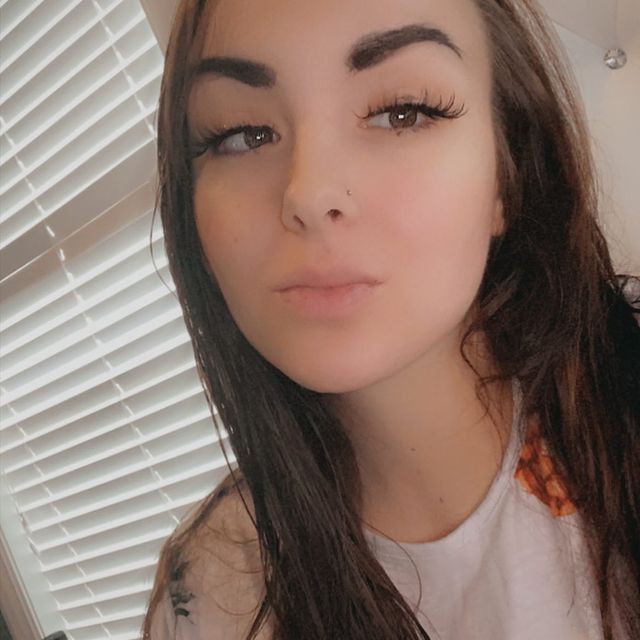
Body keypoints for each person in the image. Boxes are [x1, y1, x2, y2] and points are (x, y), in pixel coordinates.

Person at [142, 0, 640, 638]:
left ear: (506, 174)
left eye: (402, 112)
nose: (308, 193)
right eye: (243, 134)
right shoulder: (212, 595)